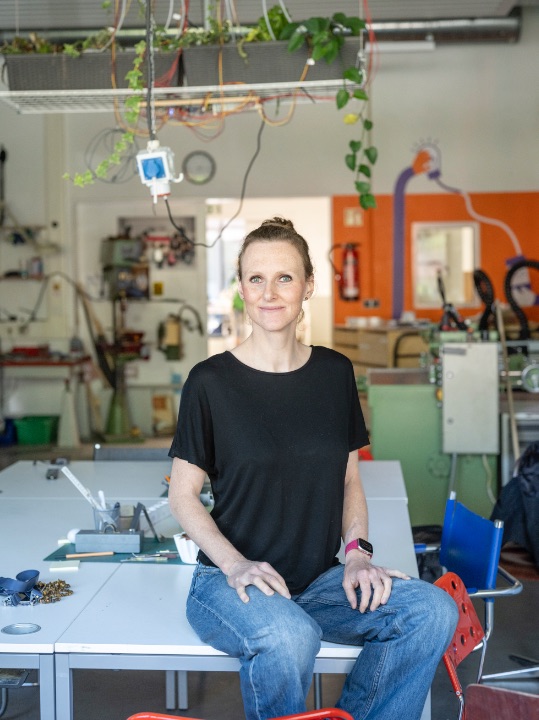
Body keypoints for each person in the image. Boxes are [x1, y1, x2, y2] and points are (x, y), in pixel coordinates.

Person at [168, 217, 458, 720]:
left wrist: (357, 555)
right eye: (256, 278)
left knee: (432, 611)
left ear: (308, 286)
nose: (269, 293)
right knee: (290, 635)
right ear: (241, 288)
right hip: (231, 584)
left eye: (285, 277)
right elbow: (182, 494)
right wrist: (235, 564)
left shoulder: (334, 373)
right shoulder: (209, 382)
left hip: (318, 582)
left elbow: (349, 480)